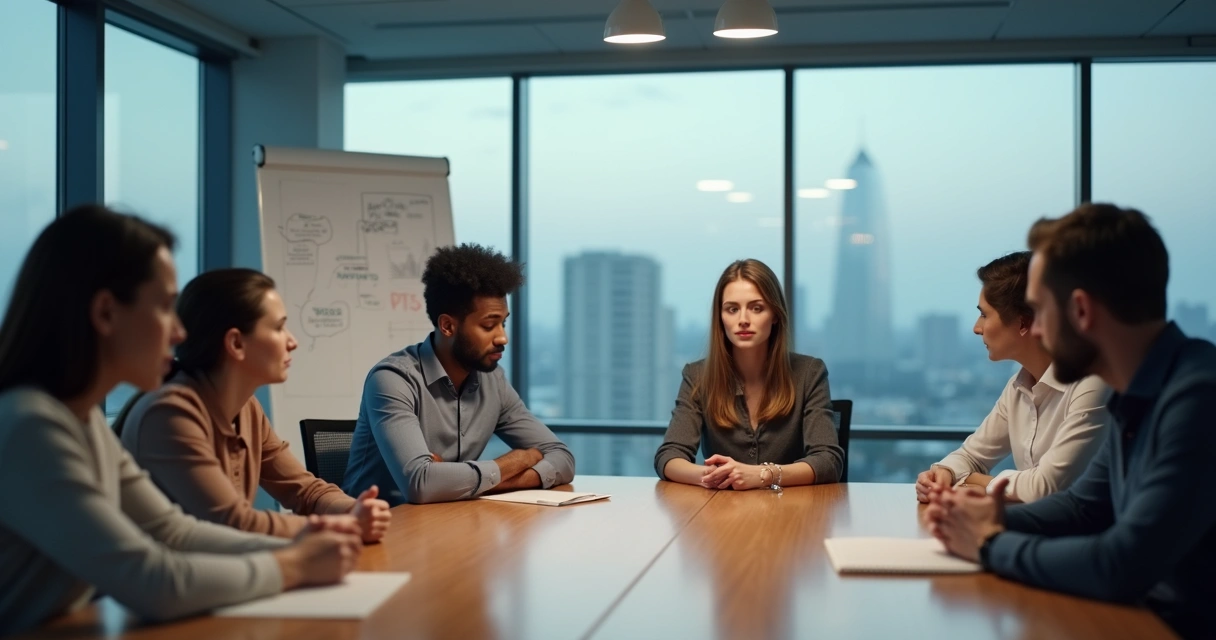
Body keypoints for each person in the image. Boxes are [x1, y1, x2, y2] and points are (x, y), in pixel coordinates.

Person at [0, 206, 362, 635]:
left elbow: (173, 532)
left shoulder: (81, 421)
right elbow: (151, 579)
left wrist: (303, 543)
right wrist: (294, 564)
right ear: (105, 313)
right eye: (166, 308)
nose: (179, 333)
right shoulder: (30, 426)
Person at [925, 204, 1216, 638]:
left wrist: (989, 544)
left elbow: (1120, 564)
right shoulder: (1134, 389)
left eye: (1039, 311)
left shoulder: (1197, 398)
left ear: (1080, 311)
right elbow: (1085, 507)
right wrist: (984, 517)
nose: (1035, 331)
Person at [117, 269, 391, 542]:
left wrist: (353, 509)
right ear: (236, 343)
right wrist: (344, 525)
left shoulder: (246, 407)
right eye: (278, 327)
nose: (292, 342)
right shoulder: (170, 414)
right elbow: (232, 524)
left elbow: (306, 491)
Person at [342, 244, 575, 505]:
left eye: (503, 323)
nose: (503, 337)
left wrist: (471, 483)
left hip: (446, 523)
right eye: (489, 325)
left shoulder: (493, 381)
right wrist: (516, 460)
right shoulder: (393, 380)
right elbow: (421, 484)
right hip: (375, 532)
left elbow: (562, 458)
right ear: (448, 326)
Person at [914, 252, 1111, 504]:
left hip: (1090, 539)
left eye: (984, 314)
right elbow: (971, 456)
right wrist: (944, 472)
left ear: (1023, 322)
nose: (977, 327)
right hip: (1038, 531)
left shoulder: (1092, 384)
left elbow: (1045, 488)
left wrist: (974, 481)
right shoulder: (1019, 387)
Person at [655, 259, 843, 490]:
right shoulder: (698, 375)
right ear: (720, 317)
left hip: (793, 513)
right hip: (721, 516)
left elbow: (828, 461)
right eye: (732, 309)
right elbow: (669, 456)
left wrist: (764, 474)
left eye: (756, 308)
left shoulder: (808, 373)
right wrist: (715, 475)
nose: (743, 320)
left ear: (774, 314)